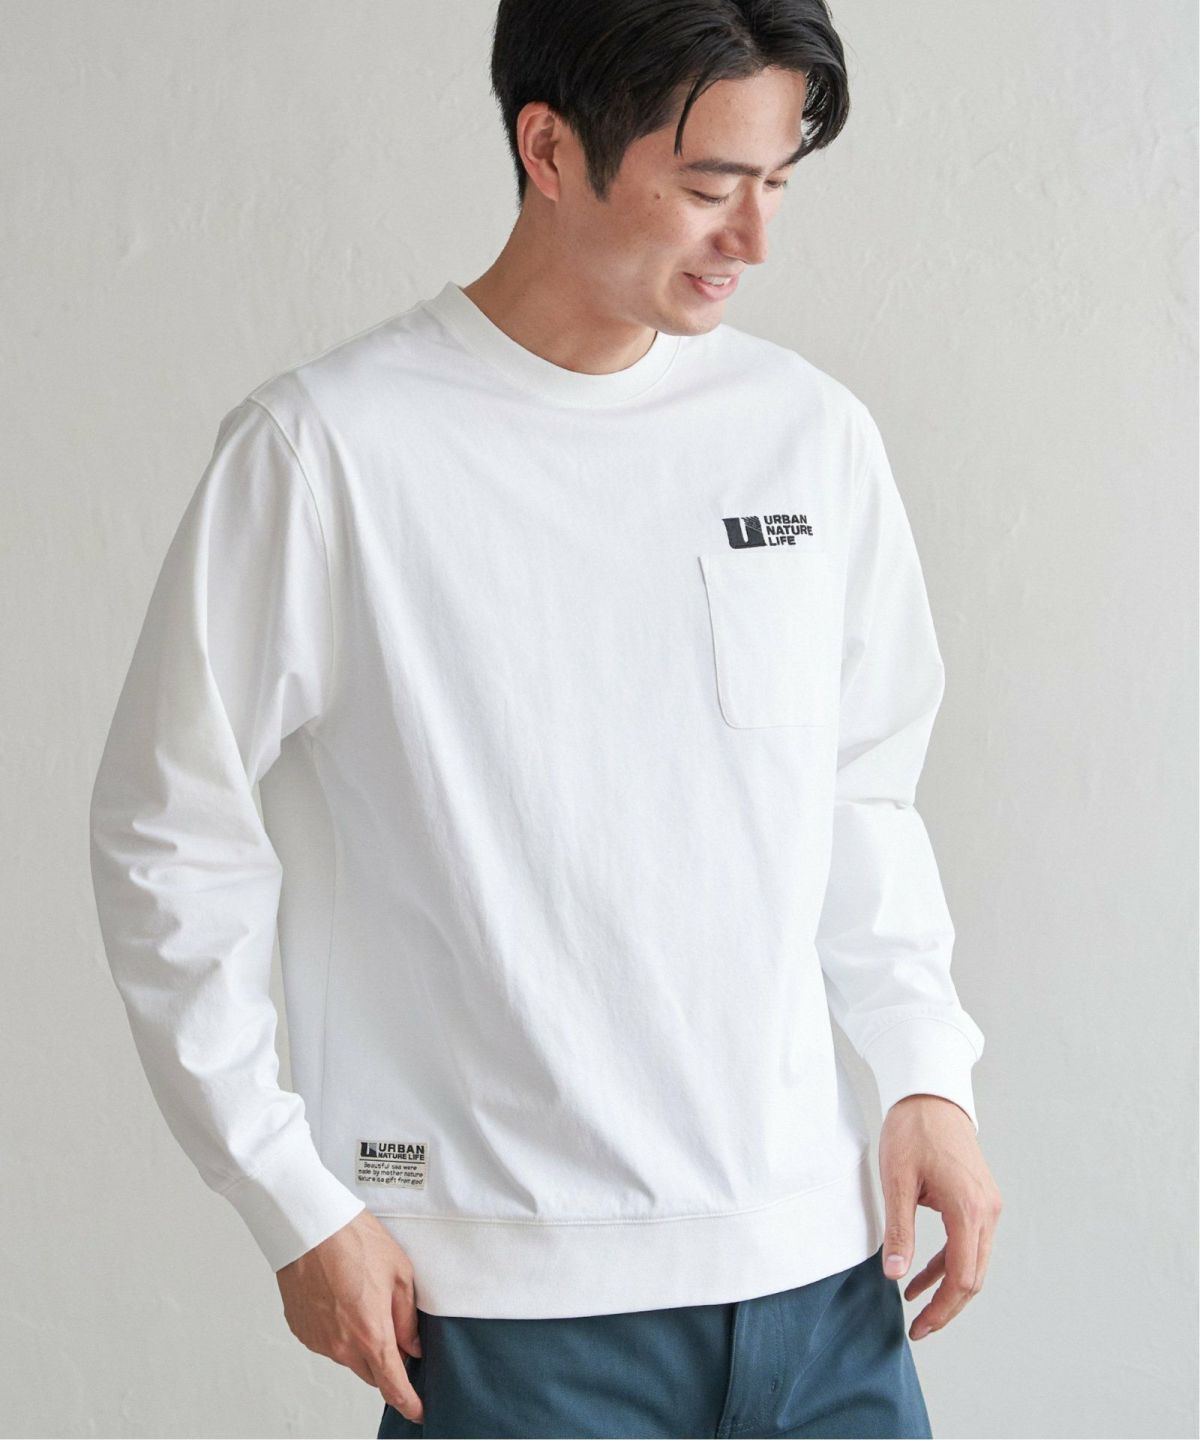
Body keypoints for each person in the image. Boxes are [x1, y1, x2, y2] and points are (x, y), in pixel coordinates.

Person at [88, 1, 1003, 1435]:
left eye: (776, 183)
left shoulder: (807, 435)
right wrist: (288, 1198)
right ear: (551, 148)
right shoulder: (330, 451)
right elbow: (168, 837)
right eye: (708, 185)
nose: (753, 239)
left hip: (825, 1285)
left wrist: (924, 1075)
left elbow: (858, 794)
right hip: (512, 1317)